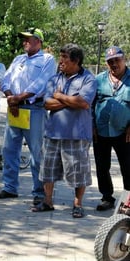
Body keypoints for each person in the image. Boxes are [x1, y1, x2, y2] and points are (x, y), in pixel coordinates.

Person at [0, 28, 57, 204]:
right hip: (15, 109)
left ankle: (39, 193)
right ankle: (10, 187)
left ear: (38, 41)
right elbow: (5, 79)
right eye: (24, 39)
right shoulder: (19, 59)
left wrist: (18, 99)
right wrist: (10, 97)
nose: (24, 42)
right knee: (9, 149)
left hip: (33, 109)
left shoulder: (47, 60)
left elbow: (41, 84)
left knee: (37, 152)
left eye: (28, 39)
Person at [31, 44, 96, 218]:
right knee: (48, 169)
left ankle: (77, 204)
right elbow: (46, 103)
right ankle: (48, 201)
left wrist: (59, 97)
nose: (60, 61)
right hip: (53, 132)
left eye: (65, 57)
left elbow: (83, 103)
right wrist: (70, 101)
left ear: (76, 61)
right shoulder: (54, 79)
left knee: (78, 171)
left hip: (77, 134)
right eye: (61, 57)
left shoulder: (88, 79)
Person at [93, 46, 130, 211]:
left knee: (127, 166)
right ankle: (107, 197)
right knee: (102, 166)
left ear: (124, 58)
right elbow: (90, 104)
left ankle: (128, 200)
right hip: (101, 131)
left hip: (124, 132)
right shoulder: (99, 80)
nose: (114, 64)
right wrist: (92, 125)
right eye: (110, 61)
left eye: (117, 60)